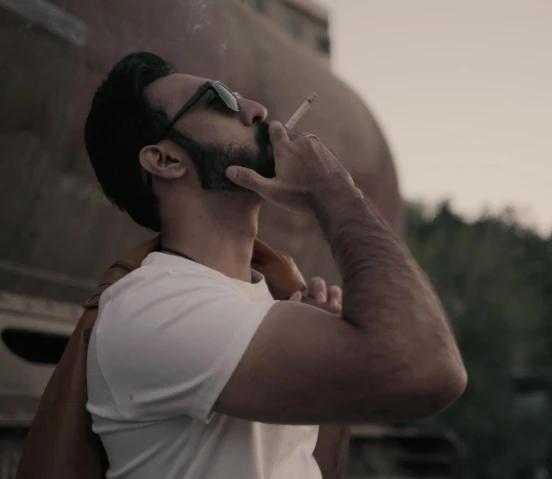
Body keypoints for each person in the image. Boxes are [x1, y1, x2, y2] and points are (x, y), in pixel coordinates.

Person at [82, 51, 467, 479]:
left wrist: (334, 379)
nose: (255, 110)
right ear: (166, 160)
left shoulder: (262, 304)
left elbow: (304, 469)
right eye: (220, 99)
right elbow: (428, 368)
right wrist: (335, 192)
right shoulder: (155, 305)